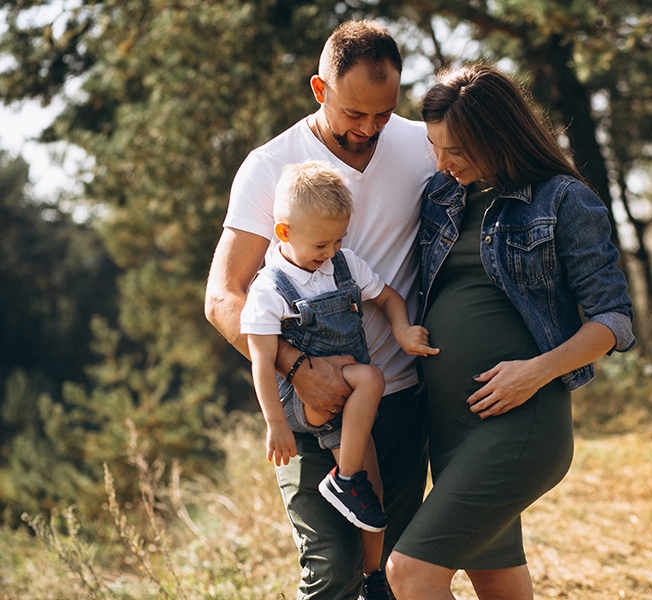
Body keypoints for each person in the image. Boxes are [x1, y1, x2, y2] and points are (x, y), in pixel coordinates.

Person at [385, 63, 636, 600]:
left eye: (456, 150)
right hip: (450, 426)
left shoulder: (564, 200)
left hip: (522, 420)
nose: (442, 163)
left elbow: (613, 320)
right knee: (498, 584)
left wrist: (535, 373)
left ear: (497, 136)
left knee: (409, 572)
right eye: (434, 147)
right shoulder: (442, 196)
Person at [204, 20, 436, 600]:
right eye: (355, 114)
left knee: (393, 574)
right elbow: (223, 297)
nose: (370, 129)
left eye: (383, 114)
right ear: (319, 89)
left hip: (401, 401)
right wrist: (297, 369)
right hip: (307, 412)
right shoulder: (270, 167)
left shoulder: (421, 145)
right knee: (332, 573)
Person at [242, 161, 438, 572]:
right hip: (304, 401)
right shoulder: (269, 288)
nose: (329, 253)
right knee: (371, 377)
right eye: (320, 245)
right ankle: (344, 478)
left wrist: (402, 330)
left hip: (348, 406)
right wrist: (275, 424)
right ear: (284, 233)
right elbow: (261, 360)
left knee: (376, 500)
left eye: (337, 241)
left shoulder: (343, 264)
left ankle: (372, 579)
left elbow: (388, 298)